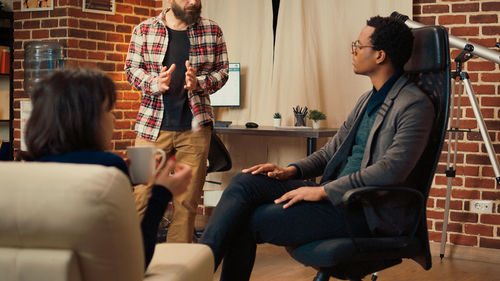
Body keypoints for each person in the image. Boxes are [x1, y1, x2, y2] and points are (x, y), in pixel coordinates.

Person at [199, 16, 435, 280]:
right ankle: (197, 266)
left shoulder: (414, 105)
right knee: (246, 181)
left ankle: (199, 269)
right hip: (335, 195)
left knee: (246, 220)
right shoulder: (367, 99)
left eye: (358, 45)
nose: (353, 51)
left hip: (365, 211)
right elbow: (331, 151)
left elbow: (390, 172)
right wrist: (290, 170)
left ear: (380, 55)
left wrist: (322, 191)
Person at [24, 67, 192, 269]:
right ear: (85, 121)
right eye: (108, 110)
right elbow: (138, 258)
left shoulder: (30, 166)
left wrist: (126, 177)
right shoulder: (109, 165)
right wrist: (163, 191)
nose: (114, 119)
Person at [125, 0, 229, 243]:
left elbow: (222, 71)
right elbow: (131, 69)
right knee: (141, 196)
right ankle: (132, 261)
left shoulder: (212, 30)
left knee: (187, 202)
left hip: (195, 131)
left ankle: (176, 268)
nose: (193, 1)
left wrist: (200, 83)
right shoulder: (144, 29)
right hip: (148, 129)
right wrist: (154, 83)